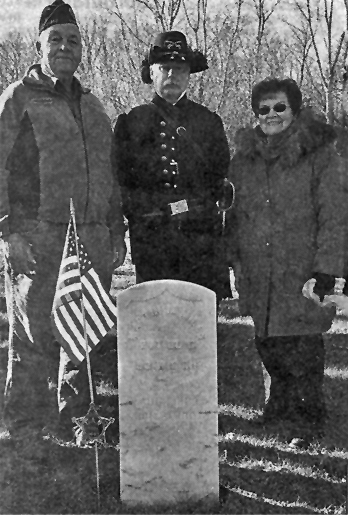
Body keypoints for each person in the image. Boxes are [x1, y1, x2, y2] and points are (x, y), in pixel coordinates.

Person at [0, 0, 126, 459]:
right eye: (56, 39)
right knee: (33, 334)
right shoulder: (19, 98)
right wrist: (8, 231)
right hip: (37, 234)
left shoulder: (93, 105)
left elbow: (109, 175)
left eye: (73, 40)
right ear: (39, 46)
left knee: (85, 330)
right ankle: (27, 429)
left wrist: (116, 229)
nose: (66, 47)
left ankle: (80, 419)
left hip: (90, 235)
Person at [227, 77, 347, 448]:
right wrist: (235, 260)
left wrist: (326, 269)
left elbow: (335, 214)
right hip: (259, 270)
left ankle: (307, 417)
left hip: (301, 270)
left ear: (294, 110)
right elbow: (232, 214)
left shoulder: (321, 155)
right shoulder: (242, 161)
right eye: (263, 108)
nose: (271, 114)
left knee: (302, 346)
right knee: (268, 342)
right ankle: (278, 406)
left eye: (279, 106)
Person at [114, 31, 232, 303]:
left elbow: (220, 179)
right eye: (164, 68)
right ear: (151, 73)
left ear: (189, 75)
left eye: (179, 69)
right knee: (156, 322)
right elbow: (122, 184)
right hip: (153, 243)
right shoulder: (131, 123)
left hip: (200, 242)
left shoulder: (209, 122)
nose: (172, 75)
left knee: (200, 327)